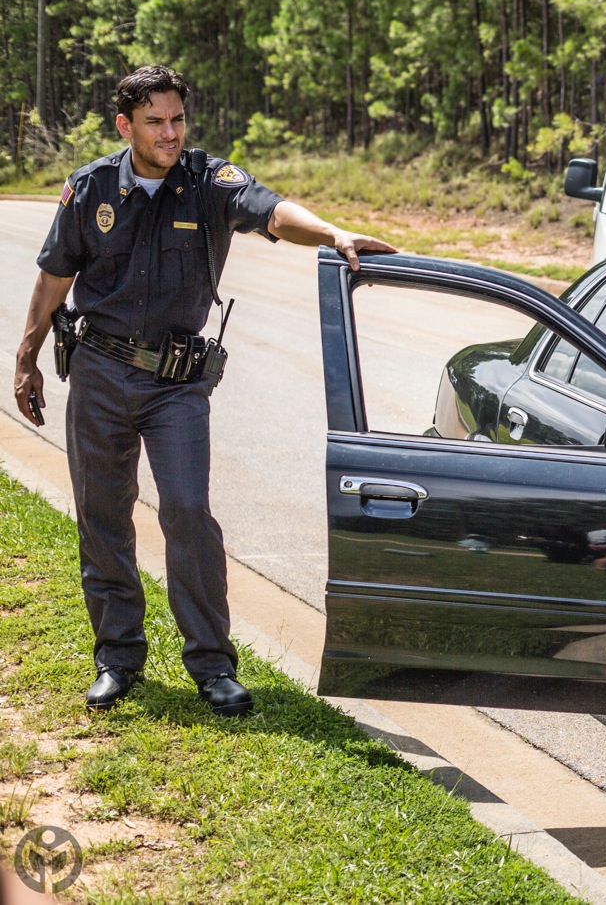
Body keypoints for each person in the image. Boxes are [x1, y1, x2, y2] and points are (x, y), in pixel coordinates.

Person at [13, 65, 397, 717]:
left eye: (178, 120)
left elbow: (274, 212)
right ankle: (118, 657)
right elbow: (54, 278)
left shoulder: (209, 182)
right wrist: (26, 356)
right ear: (125, 125)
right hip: (101, 371)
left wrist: (332, 233)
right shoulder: (90, 188)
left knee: (187, 511)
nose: (170, 132)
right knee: (103, 514)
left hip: (175, 385)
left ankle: (213, 665)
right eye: (156, 121)